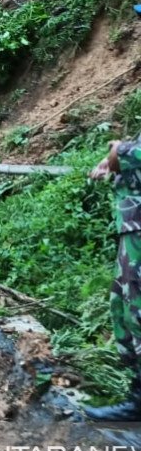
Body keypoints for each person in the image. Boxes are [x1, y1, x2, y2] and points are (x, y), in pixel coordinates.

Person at [85, 137, 141, 420]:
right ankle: (137, 394)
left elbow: (126, 153)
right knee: (123, 307)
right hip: (132, 229)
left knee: (138, 313)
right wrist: (113, 160)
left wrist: (117, 150)